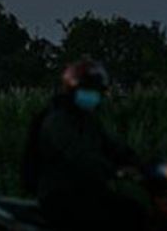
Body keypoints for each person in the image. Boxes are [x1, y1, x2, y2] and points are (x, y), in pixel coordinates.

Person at [21, 60, 147, 231]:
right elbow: (80, 155)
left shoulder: (87, 120)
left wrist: (141, 164)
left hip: (85, 191)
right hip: (60, 195)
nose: (93, 96)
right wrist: (113, 171)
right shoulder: (58, 120)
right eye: (88, 90)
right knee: (122, 214)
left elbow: (112, 146)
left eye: (96, 91)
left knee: (135, 211)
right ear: (74, 90)